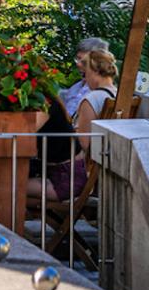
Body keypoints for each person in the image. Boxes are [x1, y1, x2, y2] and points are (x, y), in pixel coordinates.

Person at [30, 48, 110, 207]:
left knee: (5, 186)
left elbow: (84, 142)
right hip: (71, 172)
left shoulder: (91, 98)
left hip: (66, 180)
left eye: (84, 71)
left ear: (92, 71)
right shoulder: (110, 94)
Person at [56, 37, 109, 113]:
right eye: (77, 59)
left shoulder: (98, 92)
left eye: (83, 60)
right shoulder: (79, 85)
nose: (78, 64)